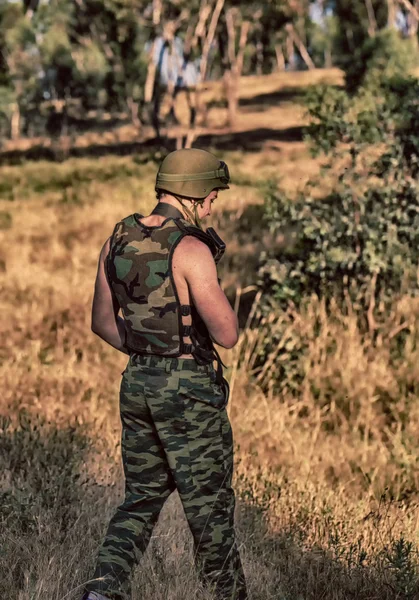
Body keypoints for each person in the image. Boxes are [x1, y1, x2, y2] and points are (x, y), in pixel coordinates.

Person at [81, 148, 248, 600]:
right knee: (210, 514)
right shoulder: (191, 248)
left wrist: (147, 352)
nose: (211, 207)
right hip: (188, 392)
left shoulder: (116, 239)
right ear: (192, 195)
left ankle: (99, 593)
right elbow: (228, 334)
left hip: (136, 384)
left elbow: (100, 320)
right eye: (211, 197)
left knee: (140, 500)